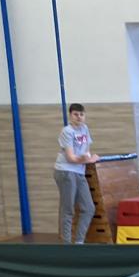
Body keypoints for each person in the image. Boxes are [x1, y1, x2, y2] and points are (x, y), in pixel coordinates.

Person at [55, 103, 100, 243]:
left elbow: (86, 151)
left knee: (89, 208)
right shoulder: (67, 131)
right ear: (70, 116)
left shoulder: (85, 129)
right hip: (65, 171)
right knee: (68, 209)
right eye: (75, 114)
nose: (79, 117)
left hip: (79, 171)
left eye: (81, 114)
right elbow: (71, 158)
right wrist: (87, 159)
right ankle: (67, 244)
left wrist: (88, 157)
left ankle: (79, 242)